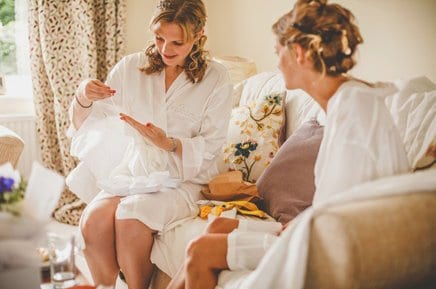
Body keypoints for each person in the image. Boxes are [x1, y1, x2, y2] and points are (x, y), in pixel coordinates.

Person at [166, 1, 410, 288]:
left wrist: (287, 234)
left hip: (339, 247)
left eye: (277, 53)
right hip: (320, 230)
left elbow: (343, 216)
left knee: (200, 251)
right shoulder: (340, 102)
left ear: (298, 53)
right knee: (217, 225)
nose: (277, 63)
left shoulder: (354, 109)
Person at [70, 0, 232, 288]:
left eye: (177, 42)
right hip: (136, 171)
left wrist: (169, 143)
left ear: (199, 36)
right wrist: (84, 96)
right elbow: (94, 122)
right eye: (159, 38)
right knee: (92, 221)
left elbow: (213, 144)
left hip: (185, 178)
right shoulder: (132, 67)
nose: (165, 49)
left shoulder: (216, 78)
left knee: (131, 216)